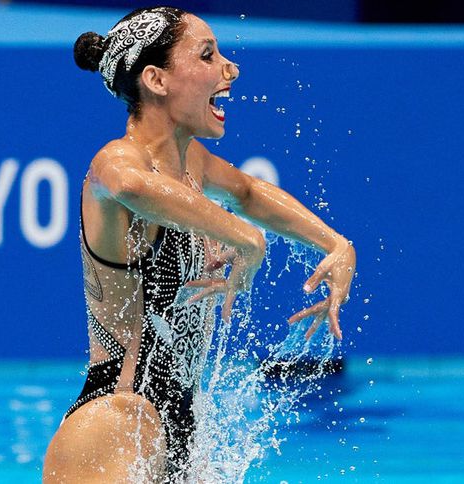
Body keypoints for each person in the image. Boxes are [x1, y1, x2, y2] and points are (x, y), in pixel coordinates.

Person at [43, 6, 356, 483]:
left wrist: (336, 245)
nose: (231, 69)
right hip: (115, 421)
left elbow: (248, 193)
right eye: (208, 56)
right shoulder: (117, 159)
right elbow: (127, 185)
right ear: (156, 79)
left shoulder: (193, 163)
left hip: (181, 427)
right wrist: (245, 236)